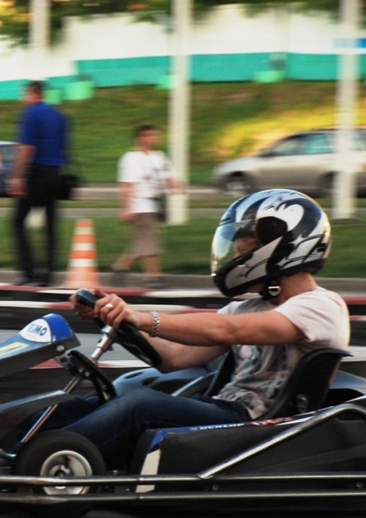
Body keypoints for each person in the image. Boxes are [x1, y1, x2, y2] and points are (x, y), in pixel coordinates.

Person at [50, 189, 349, 470]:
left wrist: (142, 318)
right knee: (94, 402)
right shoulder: (247, 307)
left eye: (245, 247)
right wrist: (113, 317)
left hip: (260, 424)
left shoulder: (322, 306)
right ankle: (27, 445)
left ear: (283, 246)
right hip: (220, 407)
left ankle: (50, 461)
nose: (237, 255)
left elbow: (227, 331)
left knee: (139, 405)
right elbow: (175, 356)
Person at [8, 80, 69, 287]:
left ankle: (29, 272)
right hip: (55, 172)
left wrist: (17, 177)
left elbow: (26, 148)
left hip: (36, 173)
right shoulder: (59, 115)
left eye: (24, 95)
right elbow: (64, 148)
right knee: (50, 225)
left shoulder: (30, 114)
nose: (22, 99)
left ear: (33, 94)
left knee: (18, 221)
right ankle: (49, 275)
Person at [111, 124, 181, 288]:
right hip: (140, 204)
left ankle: (122, 265)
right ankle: (152, 277)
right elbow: (127, 185)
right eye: (147, 135)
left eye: (154, 135)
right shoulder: (131, 159)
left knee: (146, 242)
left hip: (157, 205)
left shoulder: (160, 157)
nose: (151, 139)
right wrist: (126, 208)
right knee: (150, 242)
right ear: (139, 138)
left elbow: (169, 177)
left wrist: (177, 186)